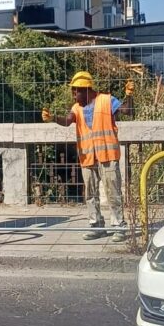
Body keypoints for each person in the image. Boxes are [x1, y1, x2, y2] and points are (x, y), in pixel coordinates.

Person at [42, 71, 127, 242]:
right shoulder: (76, 108)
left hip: (108, 156)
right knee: (90, 194)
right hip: (88, 158)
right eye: (73, 90)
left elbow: (127, 110)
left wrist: (129, 95)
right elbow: (67, 121)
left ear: (86, 89)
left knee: (113, 193)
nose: (74, 94)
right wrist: (53, 118)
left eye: (76, 91)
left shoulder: (106, 100)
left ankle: (119, 226)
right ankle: (96, 226)